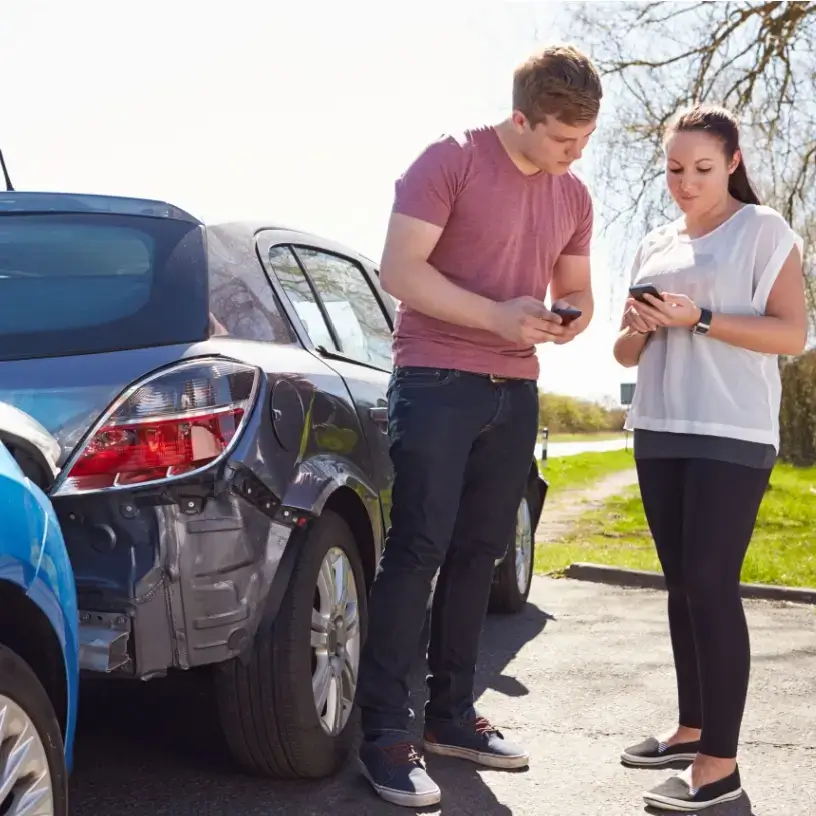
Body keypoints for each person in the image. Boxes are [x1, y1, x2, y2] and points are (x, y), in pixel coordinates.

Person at [353, 44, 602, 808]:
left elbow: (579, 289)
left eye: (584, 142)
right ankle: (384, 735)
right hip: (435, 378)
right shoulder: (449, 161)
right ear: (521, 118)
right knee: (419, 546)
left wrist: (570, 322)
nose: (573, 156)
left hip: (516, 388)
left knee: (481, 553)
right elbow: (401, 271)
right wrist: (497, 315)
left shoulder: (574, 194)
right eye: (562, 140)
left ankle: (453, 718)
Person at [614, 104, 807, 812]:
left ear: (731, 162)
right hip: (658, 426)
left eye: (700, 169)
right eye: (673, 170)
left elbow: (791, 334)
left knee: (710, 581)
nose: (685, 183)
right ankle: (691, 729)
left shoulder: (763, 230)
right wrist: (640, 327)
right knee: (680, 584)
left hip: (732, 431)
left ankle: (719, 767)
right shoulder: (654, 242)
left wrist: (697, 317)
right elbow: (624, 353)